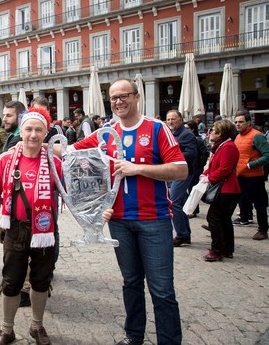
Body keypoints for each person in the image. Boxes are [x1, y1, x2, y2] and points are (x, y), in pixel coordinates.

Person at [70, 78, 187, 345]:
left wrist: (139, 168)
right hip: (119, 222)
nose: (118, 102)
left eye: (124, 96)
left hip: (154, 221)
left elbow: (181, 169)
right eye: (114, 98)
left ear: (136, 97)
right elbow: (70, 151)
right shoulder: (107, 131)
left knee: (162, 291)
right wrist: (34, 143)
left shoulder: (156, 128)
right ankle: (134, 336)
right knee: (131, 284)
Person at [0, 107, 103, 345]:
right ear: (21, 131)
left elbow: (72, 193)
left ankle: (36, 327)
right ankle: (7, 329)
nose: (32, 134)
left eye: (38, 130)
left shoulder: (54, 163)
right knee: (11, 281)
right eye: (28, 129)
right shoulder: (5, 159)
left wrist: (96, 213)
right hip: (15, 228)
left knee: (41, 280)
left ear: (45, 133)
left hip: (45, 230)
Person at [200, 120, 241, 261]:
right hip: (225, 187)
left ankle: (217, 250)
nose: (210, 132)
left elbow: (224, 169)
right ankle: (227, 249)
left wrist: (209, 177)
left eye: (213, 130)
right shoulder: (221, 146)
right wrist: (205, 174)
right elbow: (214, 166)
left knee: (213, 217)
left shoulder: (228, 147)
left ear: (220, 133)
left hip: (226, 188)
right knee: (223, 219)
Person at [232, 110, 269, 240]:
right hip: (240, 175)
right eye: (236, 122)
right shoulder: (238, 136)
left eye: (241, 122)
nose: (238, 124)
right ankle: (223, 224)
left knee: (259, 204)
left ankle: (263, 230)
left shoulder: (257, 136)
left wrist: (250, 165)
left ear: (248, 122)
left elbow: (268, 156)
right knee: (235, 200)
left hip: (255, 177)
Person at [166, 110, 197, 247]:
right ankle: (185, 234)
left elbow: (191, 153)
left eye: (173, 119)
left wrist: (172, 158)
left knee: (173, 203)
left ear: (180, 120)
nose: (170, 122)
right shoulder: (171, 134)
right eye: (168, 119)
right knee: (180, 203)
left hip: (183, 172)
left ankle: (182, 234)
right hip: (174, 172)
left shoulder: (187, 135)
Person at [185, 120, 209, 218]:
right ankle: (189, 209)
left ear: (192, 129)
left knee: (192, 190)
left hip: (196, 168)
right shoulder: (185, 139)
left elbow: (205, 153)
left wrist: (201, 164)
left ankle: (194, 210)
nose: (185, 130)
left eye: (187, 128)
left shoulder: (197, 140)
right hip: (188, 167)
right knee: (188, 189)